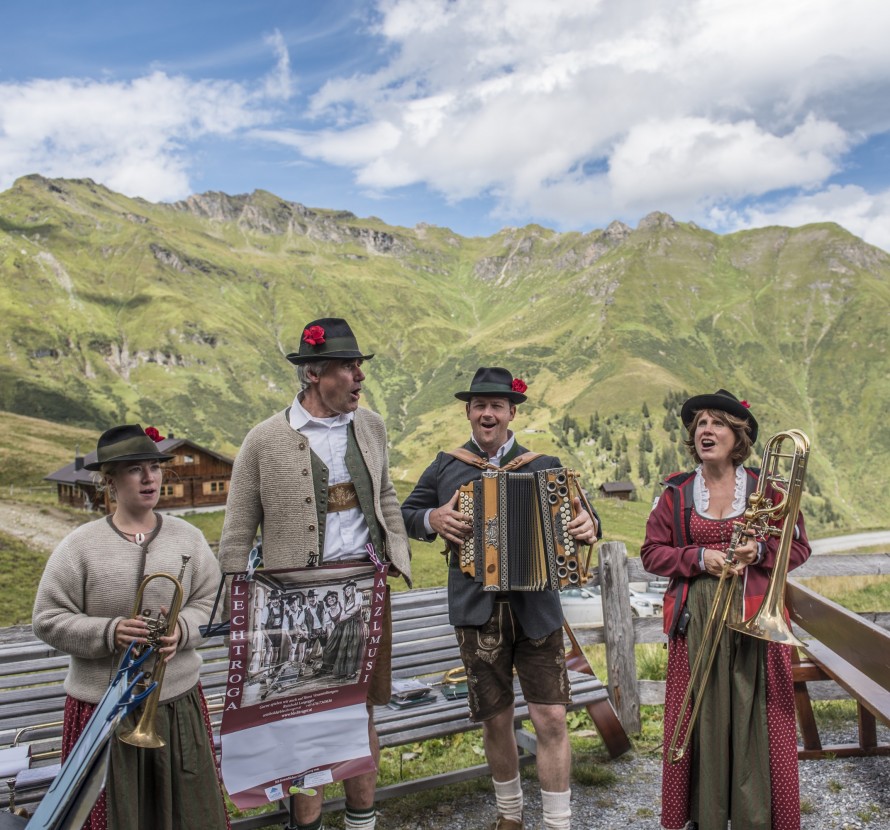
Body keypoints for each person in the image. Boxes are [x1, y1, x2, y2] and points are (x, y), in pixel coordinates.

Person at [218, 317, 412, 830]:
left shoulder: (370, 427)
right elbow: (238, 529)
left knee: (361, 711)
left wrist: (397, 555)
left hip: (365, 592)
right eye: (348, 367)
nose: (358, 377)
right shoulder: (263, 440)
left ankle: (361, 822)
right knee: (302, 722)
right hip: (295, 600)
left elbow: (386, 494)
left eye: (358, 366)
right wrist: (237, 608)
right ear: (313, 374)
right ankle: (305, 825)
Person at [401, 367, 600, 830]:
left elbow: (586, 519)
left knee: (550, 717)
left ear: (512, 412)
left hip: (537, 612)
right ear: (469, 413)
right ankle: (510, 816)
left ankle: (557, 822)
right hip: (476, 611)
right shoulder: (446, 465)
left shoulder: (542, 464)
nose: (487, 413)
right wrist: (433, 519)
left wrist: (590, 527)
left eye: (496, 406)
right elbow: (409, 513)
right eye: (479, 406)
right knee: (495, 719)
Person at [32, 424, 230, 830]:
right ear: (110, 481)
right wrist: (110, 632)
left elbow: (211, 603)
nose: (150, 478)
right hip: (101, 709)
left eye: (155, 469)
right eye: (135, 470)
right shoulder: (79, 546)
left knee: (186, 815)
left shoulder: (188, 539)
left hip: (175, 704)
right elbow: (47, 619)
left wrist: (184, 631)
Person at [640, 390, 811, 830]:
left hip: (755, 617)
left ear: (739, 438)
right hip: (696, 621)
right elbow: (652, 553)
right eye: (700, 425)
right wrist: (697, 558)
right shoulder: (676, 492)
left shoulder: (766, 489)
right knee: (702, 715)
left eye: (717, 424)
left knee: (759, 716)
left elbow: (799, 547)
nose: (706, 432)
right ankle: (704, 816)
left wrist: (759, 553)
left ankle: (761, 818)